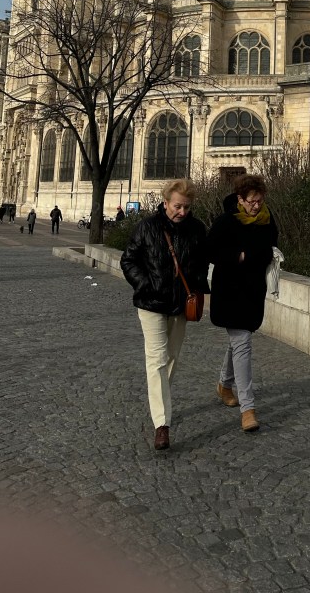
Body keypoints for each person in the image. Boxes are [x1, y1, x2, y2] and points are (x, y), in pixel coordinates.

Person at [120, 179, 208, 451]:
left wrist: (196, 285)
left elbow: (202, 262)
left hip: (180, 304)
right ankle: (162, 424)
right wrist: (144, 284)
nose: (182, 212)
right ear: (165, 202)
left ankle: (160, 399)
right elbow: (128, 260)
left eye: (187, 207)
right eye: (177, 206)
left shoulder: (197, 229)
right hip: (151, 303)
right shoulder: (147, 226)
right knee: (157, 359)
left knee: (171, 358)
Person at [206, 174, 277, 433]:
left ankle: (224, 384)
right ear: (240, 199)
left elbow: (272, 246)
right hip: (230, 292)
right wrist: (239, 256)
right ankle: (248, 408)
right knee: (242, 343)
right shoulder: (226, 221)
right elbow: (209, 251)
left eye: (260, 201)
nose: (256, 206)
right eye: (252, 201)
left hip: (253, 291)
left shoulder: (267, 220)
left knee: (239, 342)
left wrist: (260, 255)